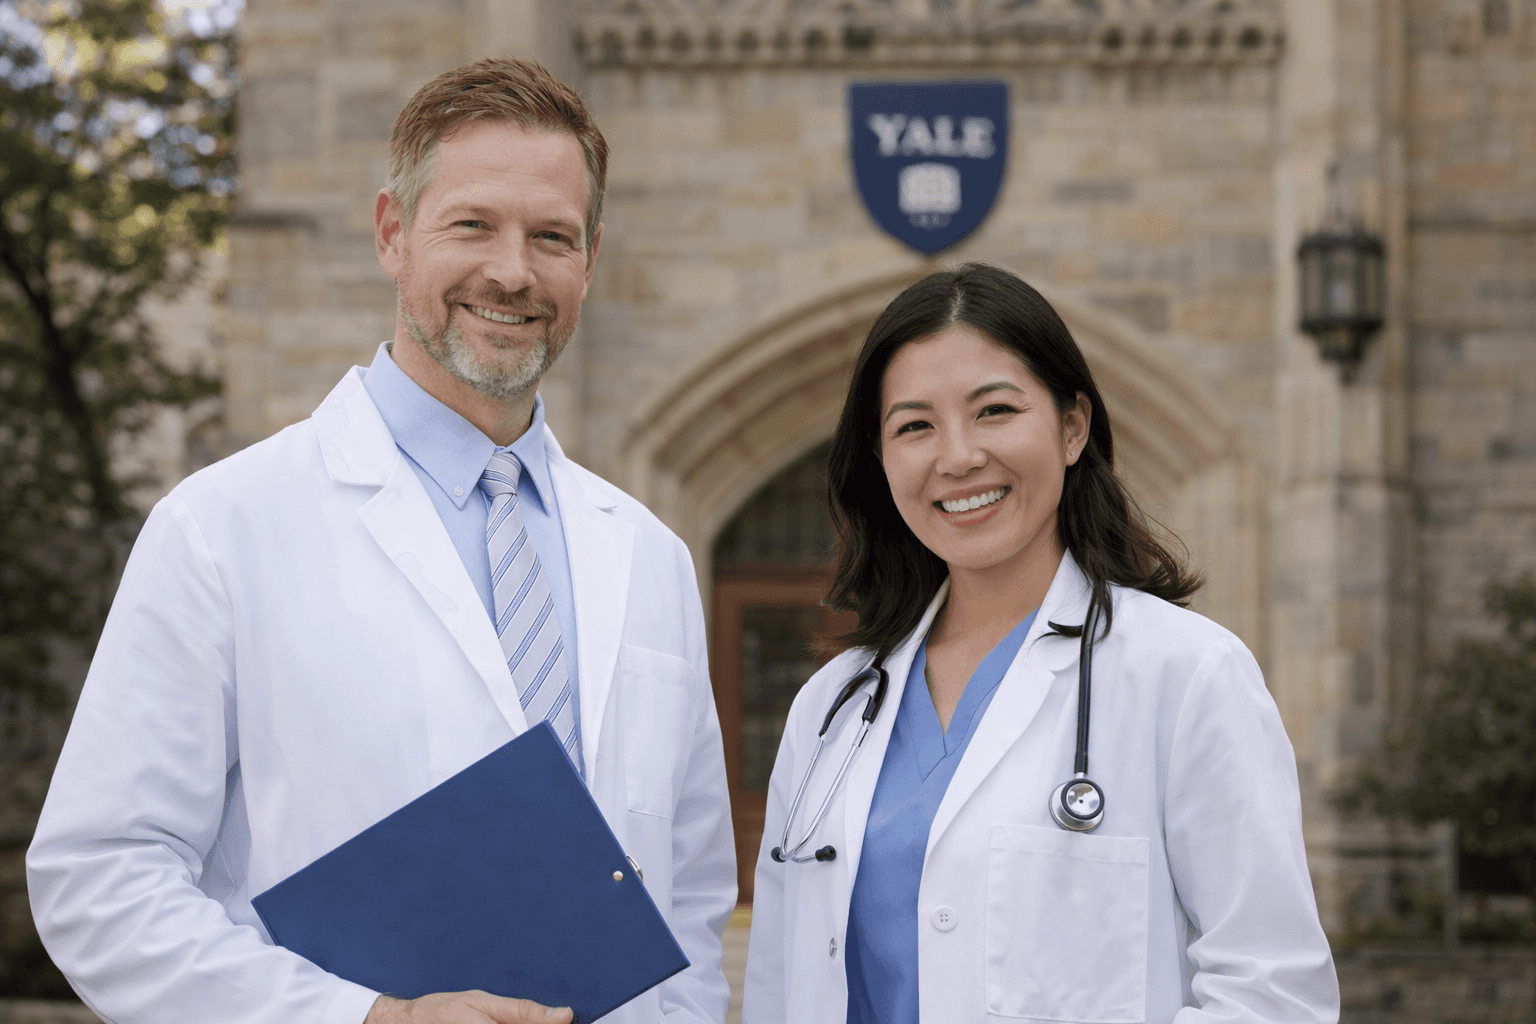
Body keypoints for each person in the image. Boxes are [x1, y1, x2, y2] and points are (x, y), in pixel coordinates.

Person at [28, 58, 735, 1024]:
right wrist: (369, 1020)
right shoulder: (222, 528)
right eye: (473, 225)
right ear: (393, 234)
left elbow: (690, 899)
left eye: (552, 237)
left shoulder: (649, 556)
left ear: (590, 260)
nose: (512, 271)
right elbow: (97, 877)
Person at [743, 264, 1338, 1023]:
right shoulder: (831, 708)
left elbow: (1273, 993)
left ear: (1072, 427)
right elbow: (777, 991)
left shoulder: (1186, 675)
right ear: (882, 459)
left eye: (994, 410)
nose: (957, 457)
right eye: (914, 425)